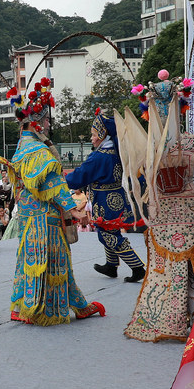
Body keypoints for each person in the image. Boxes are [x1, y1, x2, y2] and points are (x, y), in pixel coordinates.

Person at [8, 86, 104, 325]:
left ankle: (31, 306)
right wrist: (73, 209)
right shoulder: (38, 152)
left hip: (30, 216)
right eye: (47, 120)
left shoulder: (21, 149)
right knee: (48, 261)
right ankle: (34, 308)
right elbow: (54, 184)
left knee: (32, 260)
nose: (49, 124)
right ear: (35, 123)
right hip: (44, 218)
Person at [65, 109, 146, 283]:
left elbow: (80, 176)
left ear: (102, 134)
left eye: (94, 134)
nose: (92, 138)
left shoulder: (99, 157)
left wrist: (62, 179)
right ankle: (111, 264)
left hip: (106, 200)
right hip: (116, 197)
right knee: (110, 229)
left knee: (107, 233)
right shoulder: (116, 151)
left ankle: (137, 266)